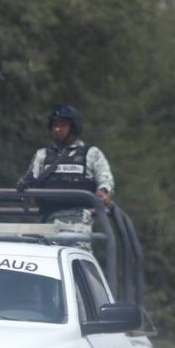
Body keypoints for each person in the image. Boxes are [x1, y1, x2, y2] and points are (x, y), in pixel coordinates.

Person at [15, 104, 114, 250]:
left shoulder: (91, 153)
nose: (57, 129)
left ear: (73, 128)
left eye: (62, 125)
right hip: (48, 221)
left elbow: (105, 180)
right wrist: (25, 189)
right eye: (54, 125)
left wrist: (104, 192)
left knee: (78, 261)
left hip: (78, 221)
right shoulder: (42, 155)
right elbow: (29, 179)